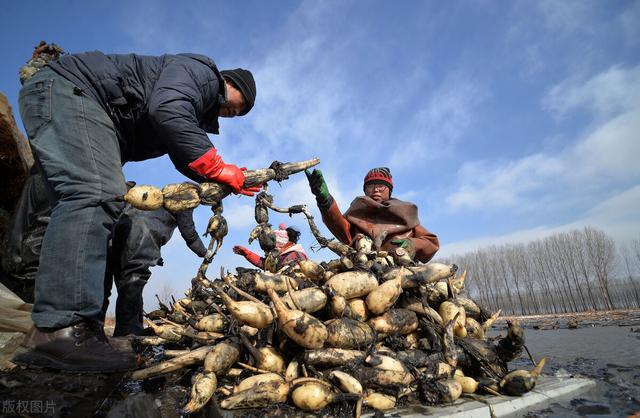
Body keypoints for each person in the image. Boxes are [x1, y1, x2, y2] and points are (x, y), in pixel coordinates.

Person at [15, 50, 259, 372]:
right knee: (97, 192)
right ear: (228, 81)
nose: (231, 112)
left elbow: (179, 151)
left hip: (71, 102)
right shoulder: (201, 73)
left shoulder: (193, 102)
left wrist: (218, 178)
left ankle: (74, 329)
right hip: (73, 94)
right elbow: (168, 110)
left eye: (236, 115)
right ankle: (60, 330)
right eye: (234, 105)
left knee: (88, 199)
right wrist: (216, 165)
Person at [305, 167, 439, 262]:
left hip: (400, 270)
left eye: (381, 186)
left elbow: (431, 242)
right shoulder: (356, 213)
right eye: (370, 186)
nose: (376, 190)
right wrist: (325, 200)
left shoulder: (404, 214)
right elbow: (339, 227)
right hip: (361, 268)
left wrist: (411, 244)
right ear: (365, 190)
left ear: (389, 190)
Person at [233, 224, 308, 270]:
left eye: (279, 244)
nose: (276, 247)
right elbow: (264, 264)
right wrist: (247, 253)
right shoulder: (279, 254)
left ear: (289, 243)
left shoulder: (296, 256)